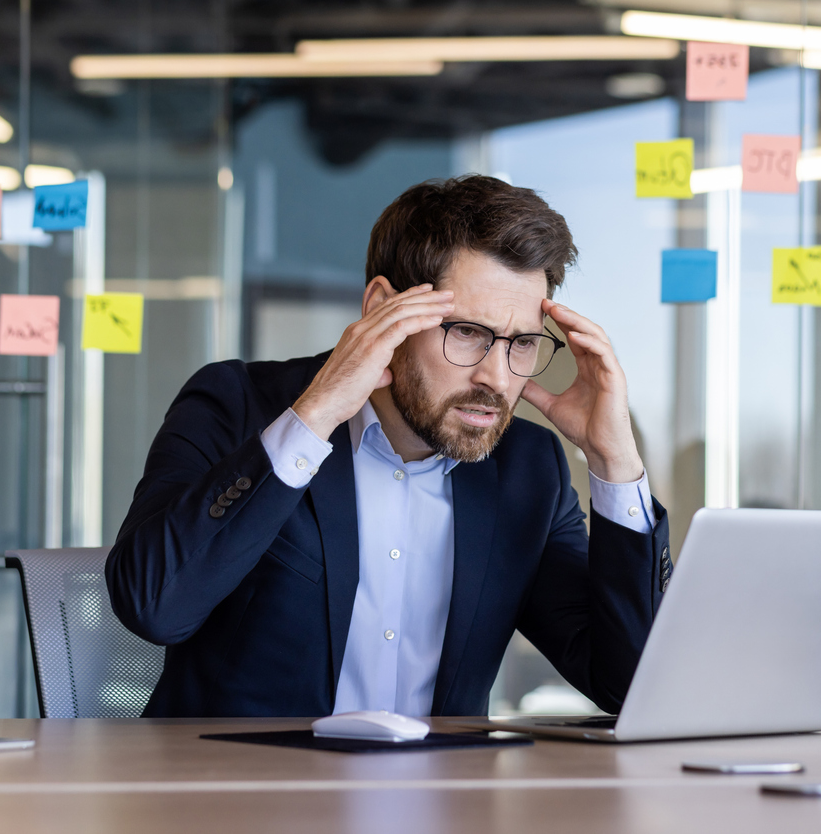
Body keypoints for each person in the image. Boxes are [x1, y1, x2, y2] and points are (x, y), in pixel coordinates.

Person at [106, 175, 672, 718]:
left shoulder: (527, 471)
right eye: (468, 333)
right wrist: (316, 414)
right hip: (247, 803)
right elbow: (154, 606)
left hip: (435, 812)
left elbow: (633, 685)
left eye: (521, 343)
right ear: (383, 308)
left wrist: (614, 464)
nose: (498, 379)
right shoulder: (238, 405)